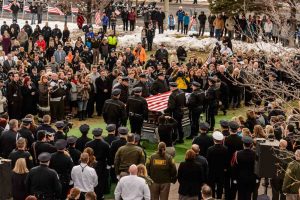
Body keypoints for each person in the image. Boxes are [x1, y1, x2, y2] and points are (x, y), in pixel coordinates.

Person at [85, 128, 110, 200]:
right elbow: (108, 156)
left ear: (93, 134)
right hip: (101, 165)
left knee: (91, 179)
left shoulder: (88, 144)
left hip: (91, 164)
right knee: (100, 181)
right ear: (101, 134)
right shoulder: (105, 144)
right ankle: (99, 195)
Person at [207, 131, 227, 199]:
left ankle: (212, 198)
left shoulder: (210, 149)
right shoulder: (225, 149)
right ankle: (219, 198)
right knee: (220, 187)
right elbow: (226, 160)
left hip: (212, 171)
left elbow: (208, 160)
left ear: (214, 139)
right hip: (221, 171)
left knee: (212, 186)